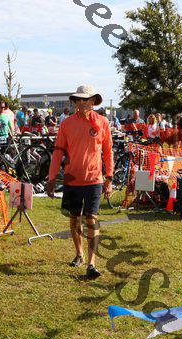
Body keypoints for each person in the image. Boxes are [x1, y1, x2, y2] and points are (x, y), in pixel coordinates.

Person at [46, 85, 113, 280]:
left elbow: (108, 151)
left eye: (87, 99)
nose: (83, 103)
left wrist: (109, 177)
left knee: (91, 218)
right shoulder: (66, 124)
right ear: (75, 102)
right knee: (75, 219)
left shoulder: (102, 122)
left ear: (93, 102)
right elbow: (58, 151)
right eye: (79, 99)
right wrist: (51, 178)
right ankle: (79, 254)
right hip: (72, 179)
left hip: (94, 179)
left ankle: (92, 263)